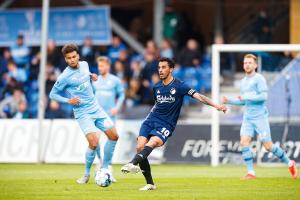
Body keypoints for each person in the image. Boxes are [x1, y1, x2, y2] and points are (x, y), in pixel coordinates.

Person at [121, 57, 227, 190]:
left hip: (166, 124)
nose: (160, 70)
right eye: (159, 67)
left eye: (164, 67)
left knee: (153, 142)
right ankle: (150, 184)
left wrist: (217, 105)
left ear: (171, 69)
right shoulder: (157, 87)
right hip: (150, 120)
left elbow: (199, 97)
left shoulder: (180, 86)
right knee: (140, 147)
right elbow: (157, 104)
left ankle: (131, 163)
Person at [49, 44, 119, 184]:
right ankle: (86, 175)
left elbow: (85, 76)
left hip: (96, 108)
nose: (72, 60)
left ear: (78, 56)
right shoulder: (64, 77)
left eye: (74, 57)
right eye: (69, 58)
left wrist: (92, 76)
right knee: (93, 142)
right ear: (65, 59)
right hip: (82, 112)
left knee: (114, 136)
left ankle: (104, 168)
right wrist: (68, 100)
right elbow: (53, 94)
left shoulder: (85, 65)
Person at [222, 54, 297, 180]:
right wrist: (229, 101)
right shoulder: (243, 82)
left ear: (255, 65)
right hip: (248, 118)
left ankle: (290, 163)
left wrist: (246, 97)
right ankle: (251, 172)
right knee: (244, 142)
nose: (247, 65)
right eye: (245, 63)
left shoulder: (259, 79)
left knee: (268, 146)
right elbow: (243, 101)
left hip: (260, 117)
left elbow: (263, 97)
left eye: (250, 63)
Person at [92, 56, 125, 182]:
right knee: (95, 141)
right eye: (99, 66)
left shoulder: (115, 80)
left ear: (108, 66)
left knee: (110, 140)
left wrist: (117, 107)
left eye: (102, 66)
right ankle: (100, 163)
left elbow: (122, 94)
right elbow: (92, 96)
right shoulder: (95, 80)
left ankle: (108, 166)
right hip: (97, 115)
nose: (100, 68)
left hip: (110, 116)